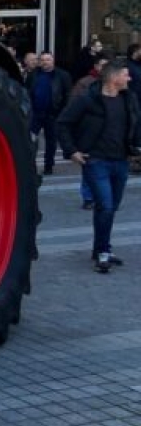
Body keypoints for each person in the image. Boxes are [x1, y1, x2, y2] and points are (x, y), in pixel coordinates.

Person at [57, 60, 141, 273]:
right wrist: (72, 150)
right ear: (114, 78)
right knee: (105, 205)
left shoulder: (129, 99)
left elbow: (135, 124)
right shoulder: (88, 100)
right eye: (126, 74)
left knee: (110, 208)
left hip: (121, 162)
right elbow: (63, 123)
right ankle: (103, 252)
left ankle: (101, 249)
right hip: (96, 161)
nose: (129, 78)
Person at [24, 52, 72, 175]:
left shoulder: (62, 75)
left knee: (51, 142)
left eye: (48, 60)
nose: (45, 62)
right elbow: (27, 92)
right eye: (43, 60)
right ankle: (30, 165)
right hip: (36, 113)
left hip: (53, 114)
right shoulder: (34, 75)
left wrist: (63, 113)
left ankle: (48, 166)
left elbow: (67, 96)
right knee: (30, 140)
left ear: (53, 61)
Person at [73, 56, 109, 210]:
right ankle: (88, 197)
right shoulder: (85, 83)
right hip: (88, 132)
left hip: (107, 133)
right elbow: (74, 105)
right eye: (103, 65)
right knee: (89, 166)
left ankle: (103, 196)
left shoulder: (114, 84)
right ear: (96, 66)